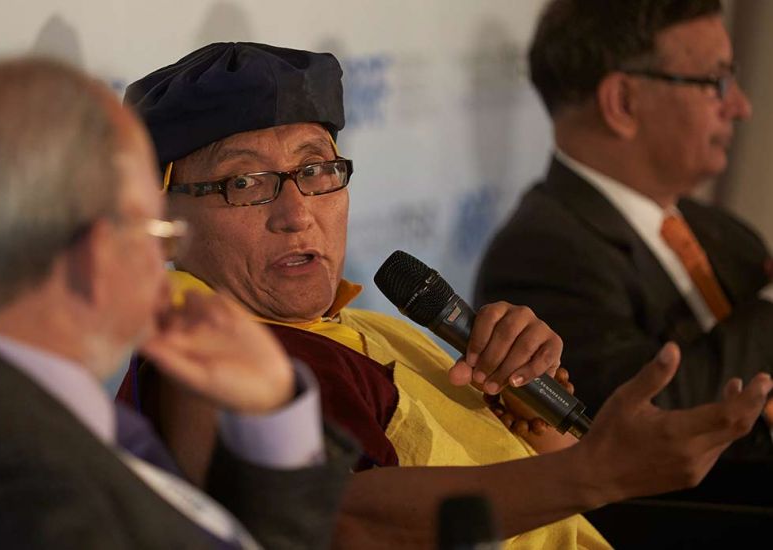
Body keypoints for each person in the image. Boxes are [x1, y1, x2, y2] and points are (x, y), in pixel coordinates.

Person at [117, 42, 772, 549]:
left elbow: (557, 499)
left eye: (316, 169)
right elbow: (342, 522)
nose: (297, 213)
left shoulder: (372, 328)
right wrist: (596, 470)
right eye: (245, 183)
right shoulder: (208, 359)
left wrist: (530, 419)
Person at [0, 57, 356, 550]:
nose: (163, 262)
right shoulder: (17, 500)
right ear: (100, 252)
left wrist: (276, 421)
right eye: (157, 230)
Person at [474, 0, 773, 460]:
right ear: (623, 103)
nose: (740, 107)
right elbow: (644, 426)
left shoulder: (724, 232)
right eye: (716, 82)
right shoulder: (540, 255)